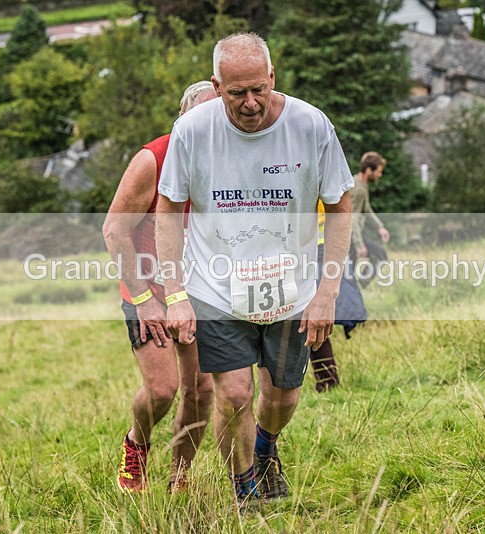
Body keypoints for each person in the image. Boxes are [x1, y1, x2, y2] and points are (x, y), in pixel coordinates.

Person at [155, 33, 353, 507]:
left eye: (257, 90)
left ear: (272, 78)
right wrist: (176, 293)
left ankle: (265, 449)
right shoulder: (193, 131)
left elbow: (340, 206)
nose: (249, 104)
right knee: (235, 394)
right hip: (215, 285)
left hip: (293, 283)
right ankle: (246, 491)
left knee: (282, 396)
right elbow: (167, 210)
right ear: (216, 85)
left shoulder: (311, 125)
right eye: (235, 93)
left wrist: (327, 293)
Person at [102, 81, 217, 493]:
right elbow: (115, 231)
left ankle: (179, 478)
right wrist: (147, 300)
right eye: (201, 118)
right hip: (146, 288)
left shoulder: (227, 160)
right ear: (183, 119)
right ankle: (137, 443)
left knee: (202, 390)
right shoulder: (153, 159)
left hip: (199, 290)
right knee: (163, 389)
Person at [310, 201, 367, 392]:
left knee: (313, 319)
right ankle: (327, 380)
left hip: (319, 251)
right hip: (324, 250)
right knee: (313, 319)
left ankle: (327, 381)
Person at [351, 151, 390, 286]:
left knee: (380, 255)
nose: (380, 174)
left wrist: (380, 227)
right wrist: (359, 244)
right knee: (380, 256)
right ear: (369, 170)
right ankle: (359, 286)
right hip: (350, 235)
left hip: (354, 234)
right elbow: (351, 217)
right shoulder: (357, 188)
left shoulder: (361, 184)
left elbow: (366, 208)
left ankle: (360, 284)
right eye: (378, 171)